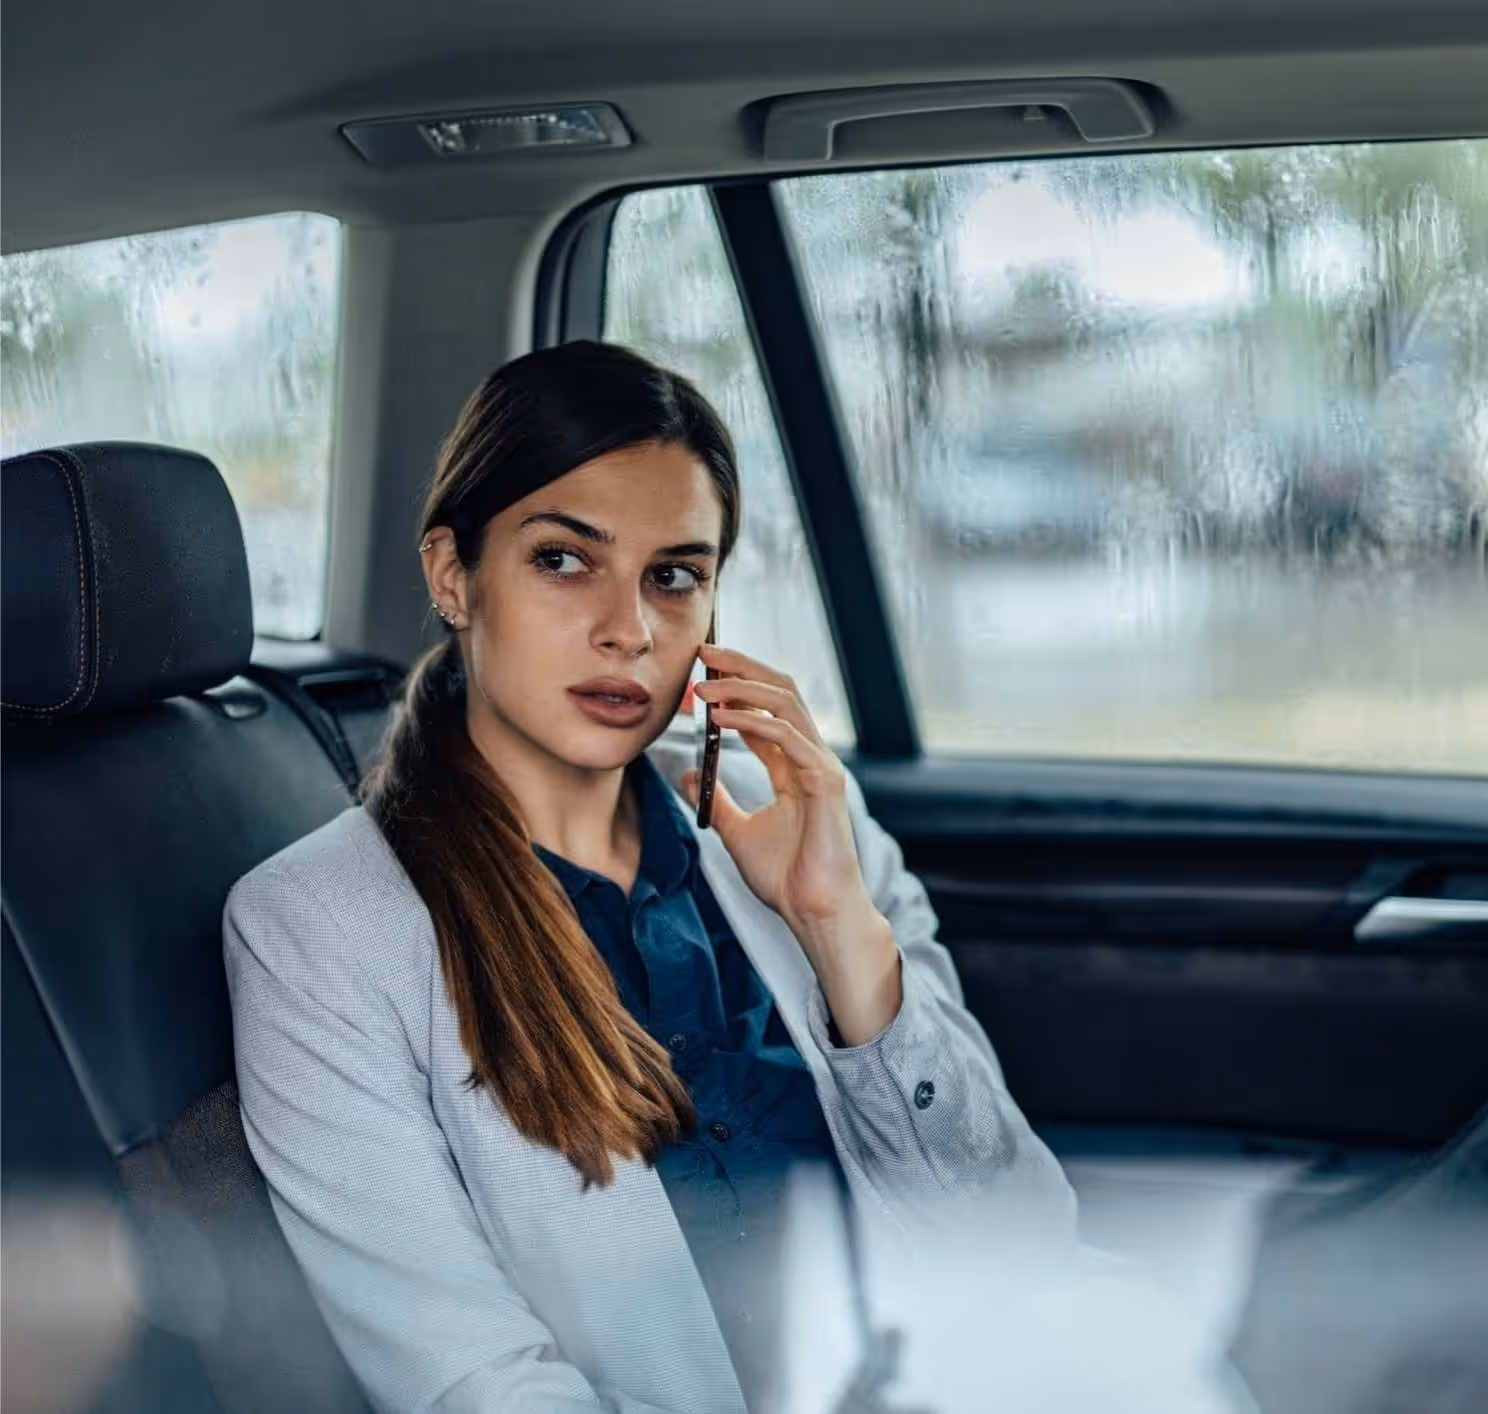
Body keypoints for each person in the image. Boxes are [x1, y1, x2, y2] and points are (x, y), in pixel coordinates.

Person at [223, 341, 1082, 1413]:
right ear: (454, 574)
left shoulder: (811, 824)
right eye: (564, 559)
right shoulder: (317, 928)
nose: (630, 629)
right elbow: (475, 1384)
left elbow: (1026, 1240)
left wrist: (841, 933)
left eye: (674, 576)